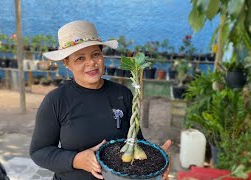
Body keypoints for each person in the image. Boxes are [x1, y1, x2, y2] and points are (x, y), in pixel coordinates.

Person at [29, 20, 172, 180]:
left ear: (102, 55)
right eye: (80, 58)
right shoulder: (56, 101)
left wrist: (156, 160)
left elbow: (135, 141)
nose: (91, 63)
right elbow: (39, 152)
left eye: (95, 54)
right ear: (67, 63)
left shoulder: (122, 94)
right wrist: (76, 160)